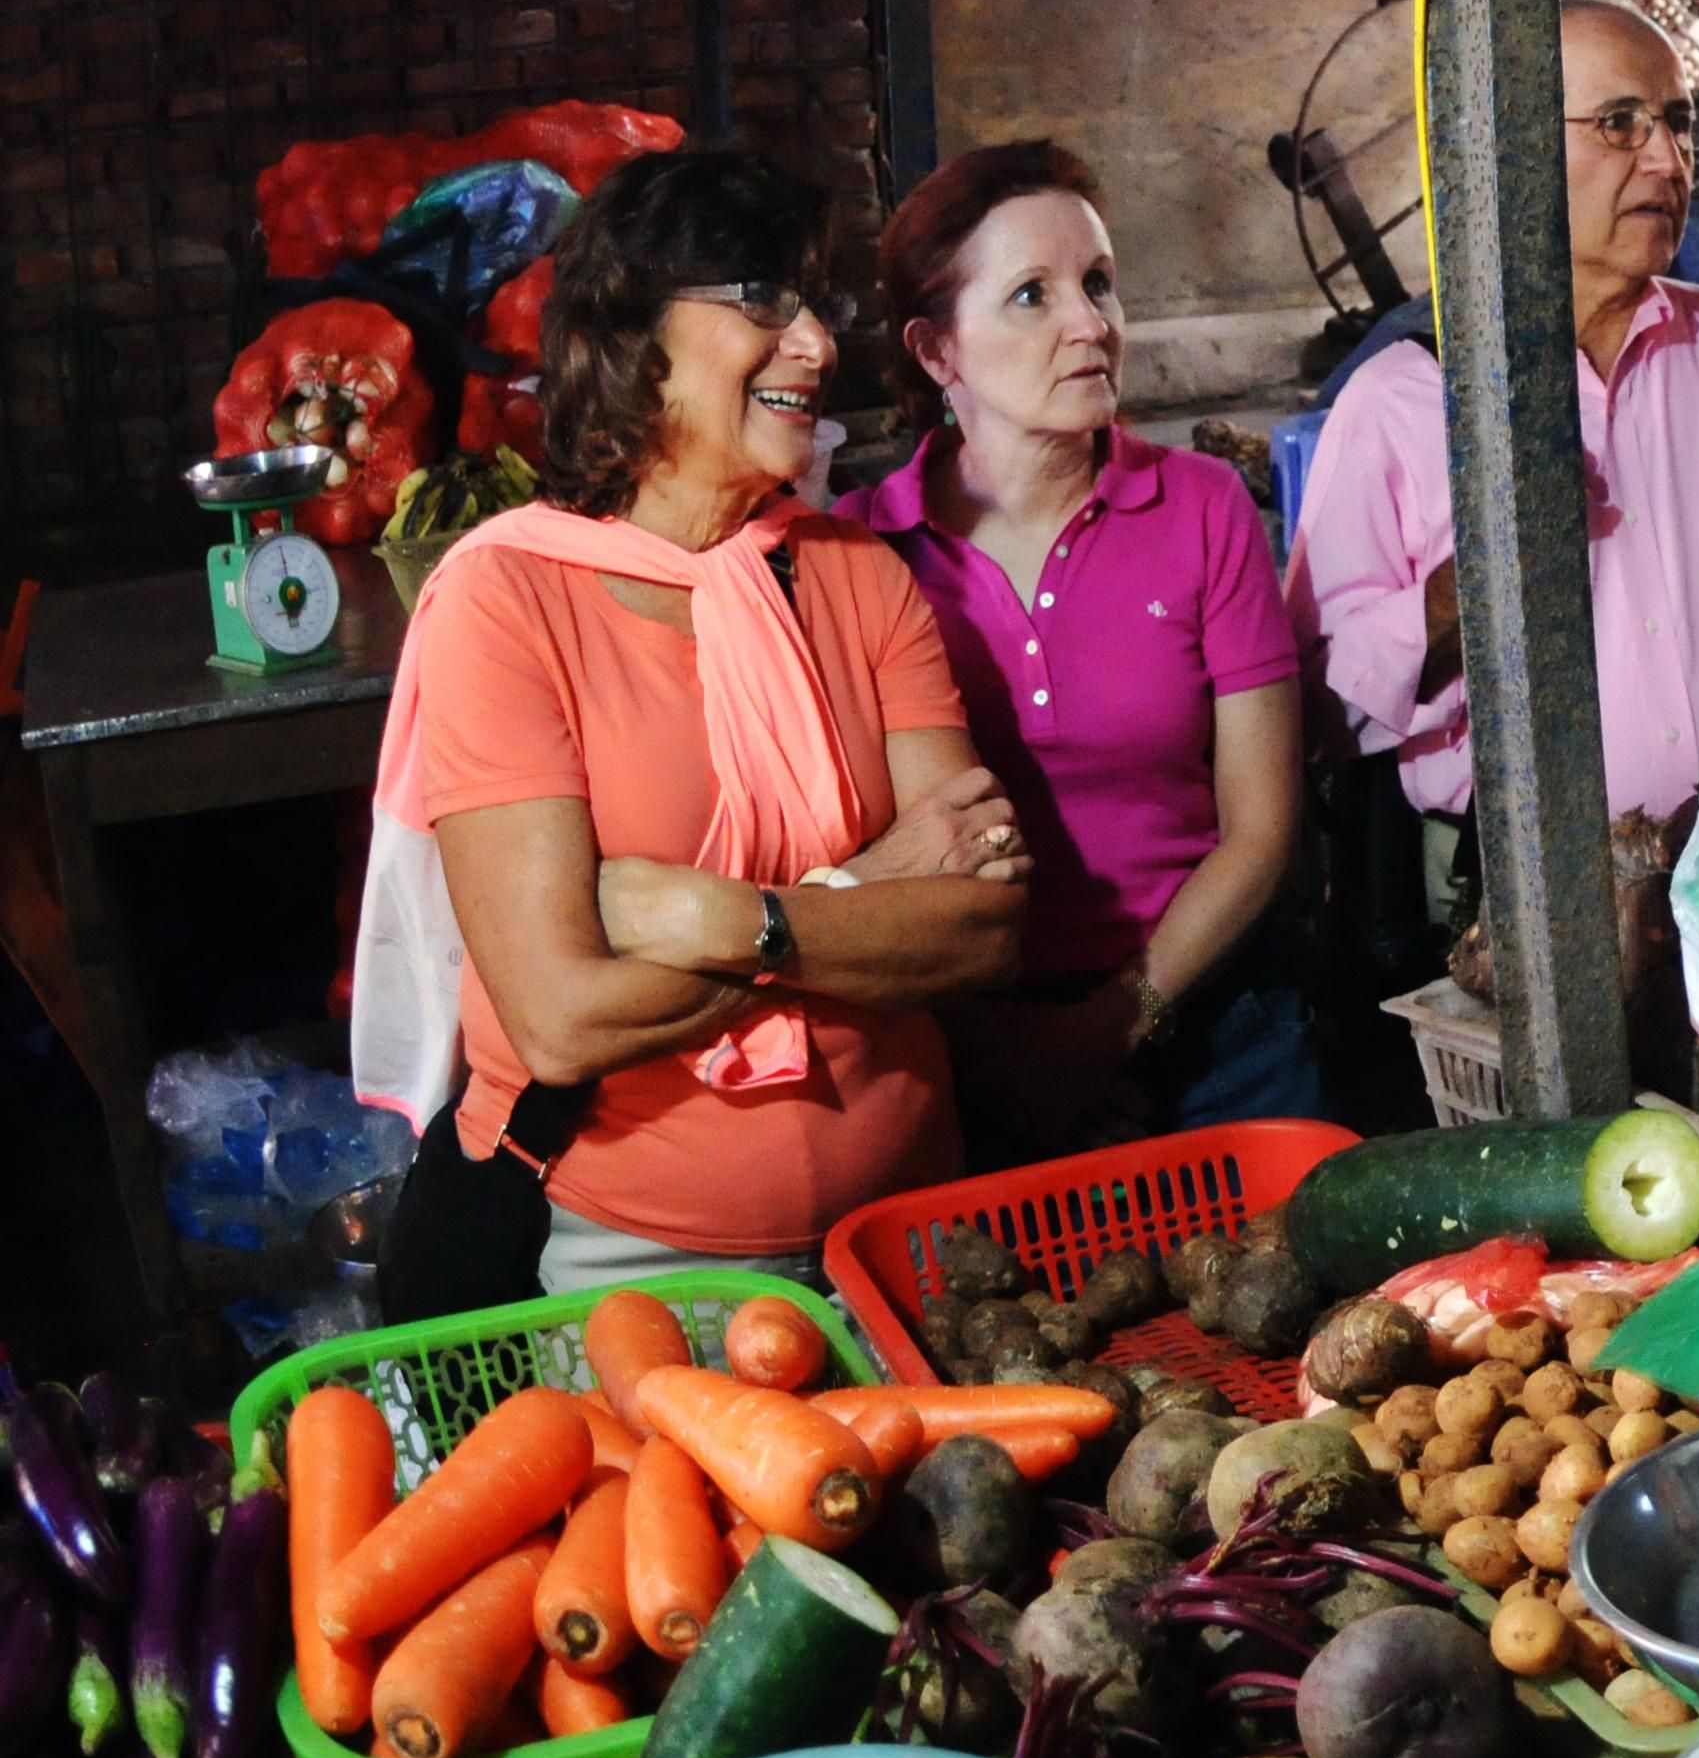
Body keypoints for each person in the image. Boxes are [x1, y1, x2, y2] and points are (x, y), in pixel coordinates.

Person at [378, 150, 1025, 1304]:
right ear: (632, 333)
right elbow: (565, 1019)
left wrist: (710, 915)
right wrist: (867, 891)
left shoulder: (854, 576)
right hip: (629, 1264)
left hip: (907, 1238)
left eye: (817, 307)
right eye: (762, 302)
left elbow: (980, 928)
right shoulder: (505, 602)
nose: (818, 347)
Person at [1289, 0, 1699, 864]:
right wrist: (1464, 595)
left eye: (1677, 126)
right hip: (1527, 907)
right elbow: (1317, 707)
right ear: (1513, 151)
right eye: (1618, 124)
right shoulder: (1399, 402)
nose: (1667, 162)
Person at [844, 142, 1314, 1163]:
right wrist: (1010, 1056)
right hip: (969, 1044)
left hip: (1213, 1025)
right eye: (1031, 295)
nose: (1090, 323)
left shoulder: (1200, 506)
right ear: (938, 353)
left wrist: (1107, 1029)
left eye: (1098, 283)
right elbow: (856, 849)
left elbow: (1261, 828)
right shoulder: (861, 554)